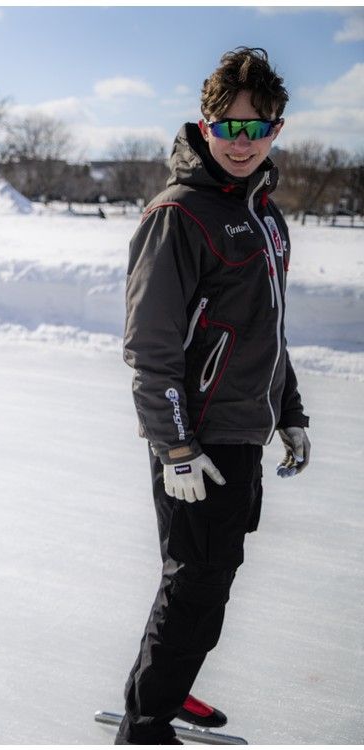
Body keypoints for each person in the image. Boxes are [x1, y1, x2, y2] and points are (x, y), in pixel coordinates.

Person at [117, 48, 310, 744]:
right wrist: (174, 447)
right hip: (196, 436)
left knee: (205, 575)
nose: (242, 143)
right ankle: (146, 723)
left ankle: (174, 681)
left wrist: (289, 412)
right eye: (229, 128)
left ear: (276, 131)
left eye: (256, 129)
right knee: (197, 578)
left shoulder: (264, 215)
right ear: (205, 125)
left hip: (240, 429)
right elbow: (150, 346)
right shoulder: (181, 214)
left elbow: (269, 329)